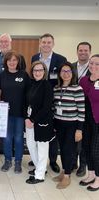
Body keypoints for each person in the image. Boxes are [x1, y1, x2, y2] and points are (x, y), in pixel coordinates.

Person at [31, 33, 67, 173]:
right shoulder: (35, 57)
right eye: (44, 42)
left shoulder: (60, 59)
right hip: (38, 101)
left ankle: (52, 160)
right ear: (40, 43)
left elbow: (63, 78)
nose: (46, 44)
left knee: (51, 133)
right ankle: (40, 160)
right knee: (39, 132)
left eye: (49, 42)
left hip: (54, 100)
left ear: (53, 44)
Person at [0, 51, 30, 174]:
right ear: (6, 62)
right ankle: (8, 160)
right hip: (6, 113)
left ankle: (18, 162)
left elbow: (28, 94)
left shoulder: (24, 75)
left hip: (20, 113)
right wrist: (0, 107)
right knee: (7, 138)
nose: (12, 62)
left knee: (19, 138)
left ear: (18, 62)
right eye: (9, 60)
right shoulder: (1, 75)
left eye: (14, 60)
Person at [52, 62, 85, 189]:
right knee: (62, 149)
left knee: (69, 150)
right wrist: (55, 124)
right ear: (59, 74)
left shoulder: (77, 89)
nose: (66, 74)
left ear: (72, 73)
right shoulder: (56, 88)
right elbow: (55, 107)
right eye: (63, 71)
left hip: (72, 125)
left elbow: (82, 111)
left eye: (68, 71)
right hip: (59, 123)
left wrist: (79, 130)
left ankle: (67, 176)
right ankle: (64, 171)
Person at [25, 61, 54, 184]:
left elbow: (46, 106)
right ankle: (39, 167)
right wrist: (27, 118)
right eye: (35, 70)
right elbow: (26, 103)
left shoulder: (46, 85)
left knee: (42, 148)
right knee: (31, 145)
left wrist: (33, 120)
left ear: (44, 71)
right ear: (32, 72)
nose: (37, 72)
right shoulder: (31, 84)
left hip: (42, 121)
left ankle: (39, 175)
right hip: (29, 120)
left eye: (40, 70)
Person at [79, 54, 99, 191]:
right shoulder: (84, 80)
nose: (93, 66)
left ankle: (98, 178)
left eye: (97, 64)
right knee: (86, 148)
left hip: (98, 121)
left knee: (96, 150)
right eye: (91, 63)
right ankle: (91, 174)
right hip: (86, 121)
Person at [72, 42, 92, 177]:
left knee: (84, 137)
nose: (83, 52)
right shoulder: (71, 66)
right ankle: (73, 162)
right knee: (72, 136)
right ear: (77, 52)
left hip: (88, 107)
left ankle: (82, 165)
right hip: (72, 107)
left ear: (89, 52)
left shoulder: (94, 68)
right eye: (80, 50)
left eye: (85, 50)